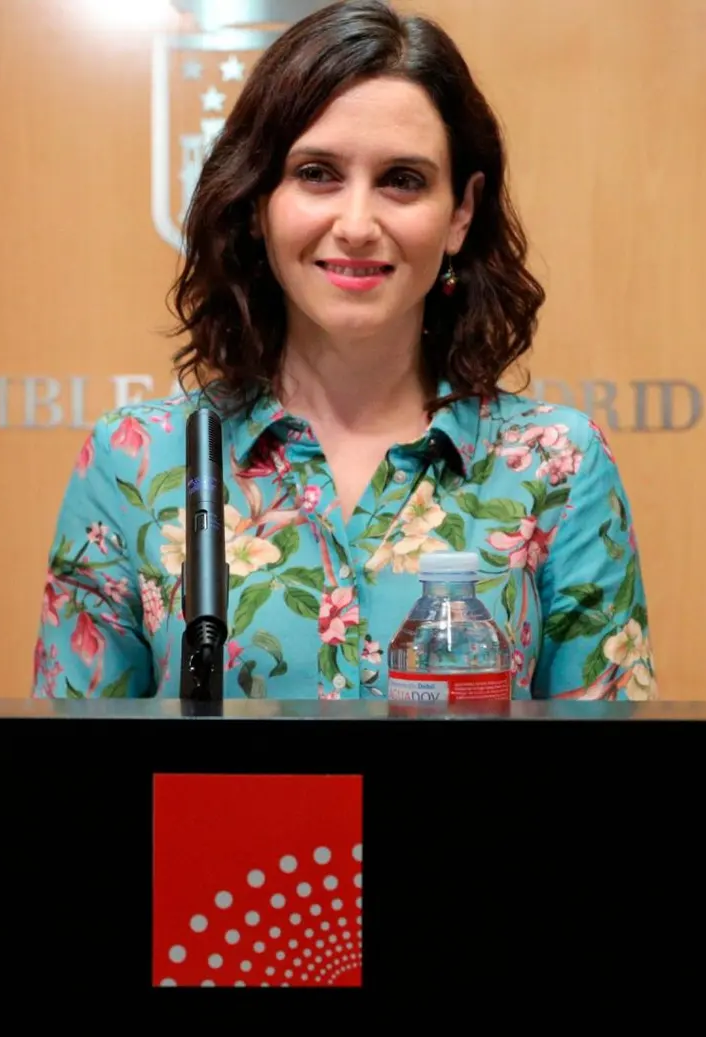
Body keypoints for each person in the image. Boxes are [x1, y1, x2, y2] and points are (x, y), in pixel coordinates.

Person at [32, 0, 654, 702]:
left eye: (402, 180)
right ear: (256, 203)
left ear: (460, 213)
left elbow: (612, 787)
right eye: (317, 173)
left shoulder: (557, 468)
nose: (356, 224)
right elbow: (75, 778)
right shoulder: (135, 462)